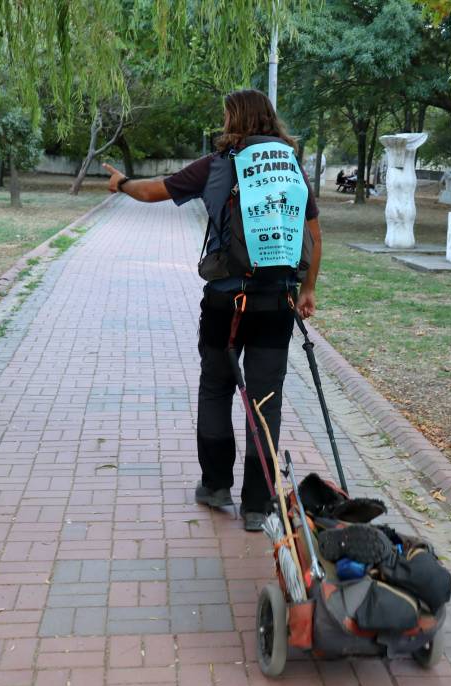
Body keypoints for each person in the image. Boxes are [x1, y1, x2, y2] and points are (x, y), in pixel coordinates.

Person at [102, 89, 322, 531]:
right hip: (277, 301)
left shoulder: (218, 164)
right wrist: (308, 290)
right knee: (266, 401)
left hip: (225, 302)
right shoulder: (289, 169)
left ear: (234, 119)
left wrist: (121, 183)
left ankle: (216, 485)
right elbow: (314, 237)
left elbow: (151, 192)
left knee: (217, 388)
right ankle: (258, 506)